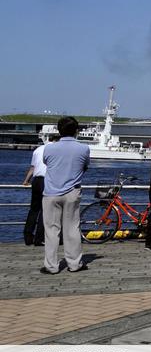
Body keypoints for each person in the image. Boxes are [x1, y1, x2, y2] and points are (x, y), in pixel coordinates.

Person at [40, 116, 89, 274]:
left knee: (51, 230)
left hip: (51, 193)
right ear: (76, 131)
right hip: (72, 192)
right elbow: (85, 166)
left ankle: (51, 266)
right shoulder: (84, 148)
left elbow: (47, 163)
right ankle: (74, 264)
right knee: (72, 228)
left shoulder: (49, 148)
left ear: (59, 131)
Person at [22, 136, 53, 246]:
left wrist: (26, 180)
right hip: (47, 181)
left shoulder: (38, 150)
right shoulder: (54, 150)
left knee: (34, 209)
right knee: (45, 210)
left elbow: (32, 168)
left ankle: (28, 236)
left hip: (36, 181)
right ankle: (39, 238)